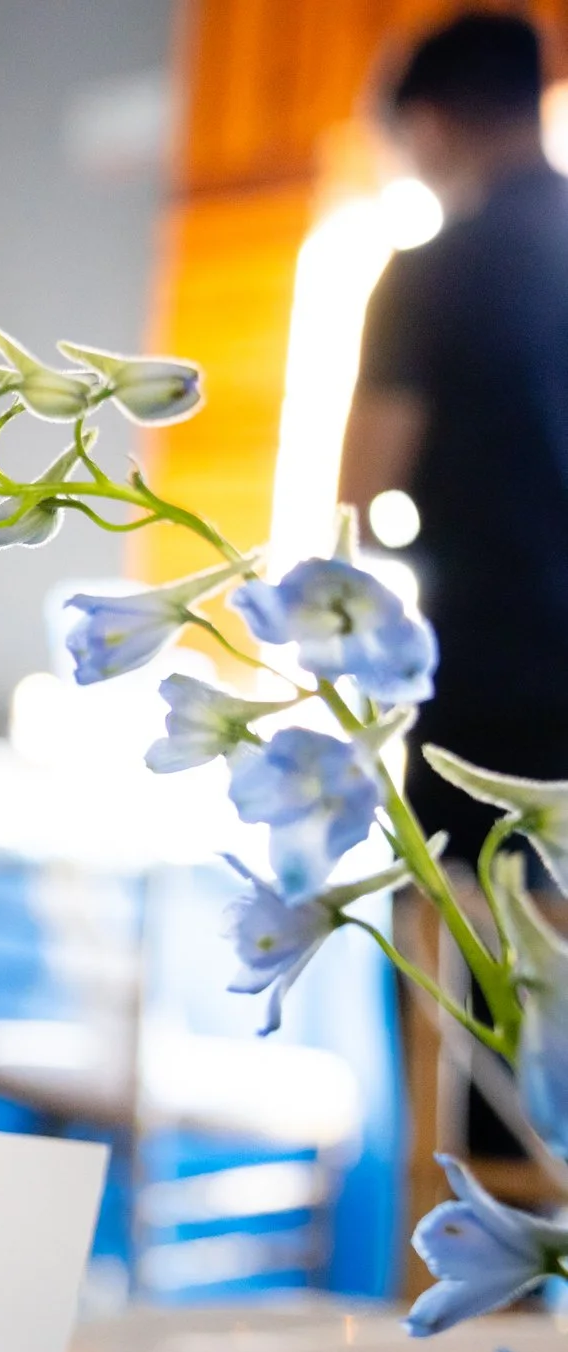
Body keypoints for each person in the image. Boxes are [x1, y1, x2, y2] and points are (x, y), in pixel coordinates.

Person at [345, 11, 568, 856]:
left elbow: (359, 506)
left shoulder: (429, 275)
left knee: (464, 922)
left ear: (427, 125)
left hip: (489, 667)